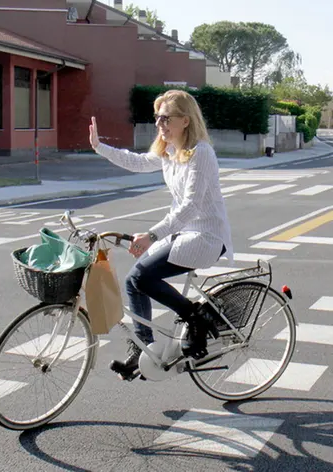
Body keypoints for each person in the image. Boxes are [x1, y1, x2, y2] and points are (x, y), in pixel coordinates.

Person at [89, 89, 233, 380]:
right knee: (133, 281)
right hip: (183, 233)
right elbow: (138, 162)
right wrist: (99, 147)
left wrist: (152, 235)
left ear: (185, 120)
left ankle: (197, 317)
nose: (160, 124)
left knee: (143, 277)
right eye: (157, 118)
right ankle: (142, 351)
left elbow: (191, 206)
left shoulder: (200, 153)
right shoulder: (168, 151)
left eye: (166, 118)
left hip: (206, 236)